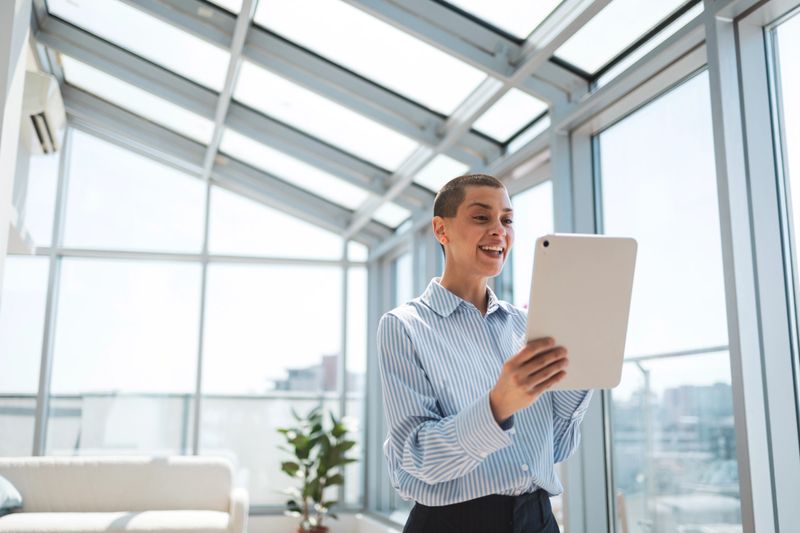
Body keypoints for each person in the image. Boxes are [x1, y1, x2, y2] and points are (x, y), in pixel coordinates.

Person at [377, 174, 592, 533]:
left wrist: (580, 360)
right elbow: (417, 454)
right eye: (481, 217)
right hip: (453, 522)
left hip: (537, 519)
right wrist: (497, 407)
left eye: (507, 220)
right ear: (441, 230)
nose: (499, 231)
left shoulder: (525, 326)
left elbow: (554, 447)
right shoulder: (405, 326)